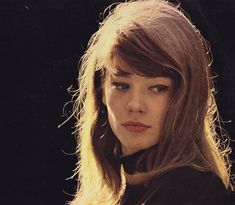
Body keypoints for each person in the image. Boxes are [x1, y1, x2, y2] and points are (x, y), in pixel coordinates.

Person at [68, 0, 234, 204]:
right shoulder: (115, 191)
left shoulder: (191, 193)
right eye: (121, 85)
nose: (135, 105)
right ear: (101, 91)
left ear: (186, 97)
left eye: (157, 88)